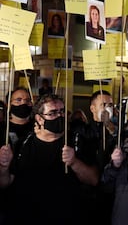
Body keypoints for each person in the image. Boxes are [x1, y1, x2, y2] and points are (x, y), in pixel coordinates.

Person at [0, 94, 99, 224]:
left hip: (65, 216)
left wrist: (74, 162)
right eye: (52, 113)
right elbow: (5, 183)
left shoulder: (77, 140)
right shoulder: (24, 143)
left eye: (62, 112)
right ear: (39, 119)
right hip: (26, 216)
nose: (59, 116)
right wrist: (4, 167)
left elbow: (93, 179)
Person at [71, 90, 118, 225]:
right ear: (92, 108)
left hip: (110, 192)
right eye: (104, 104)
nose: (108, 108)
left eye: (111, 104)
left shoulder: (114, 130)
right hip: (88, 194)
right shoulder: (83, 131)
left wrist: (110, 126)